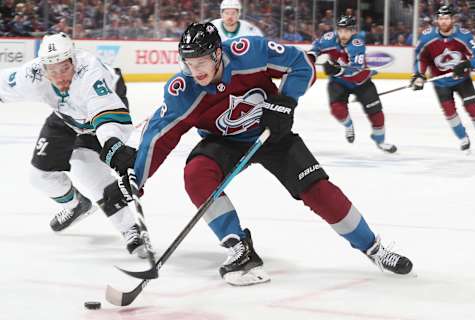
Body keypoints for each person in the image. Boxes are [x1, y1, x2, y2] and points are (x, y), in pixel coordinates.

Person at [105, 22, 413, 286]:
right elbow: (160, 134)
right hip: (222, 142)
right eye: (188, 62)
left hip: (272, 135)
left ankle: (374, 248)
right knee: (196, 175)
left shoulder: (247, 52)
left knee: (318, 190)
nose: (194, 69)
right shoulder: (183, 89)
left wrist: (286, 101)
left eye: (200, 61)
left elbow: (301, 64)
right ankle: (239, 248)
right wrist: (137, 179)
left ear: (217, 54)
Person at [0, 33, 146, 257]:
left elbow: (104, 113)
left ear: (73, 61)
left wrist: (113, 145)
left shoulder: (90, 73)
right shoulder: (32, 75)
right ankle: (76, 204)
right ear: (43, 68)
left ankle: (129, 228)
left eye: (64, 69)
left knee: (85, 167)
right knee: (39, 176)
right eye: (53, 71)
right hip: (66, 115)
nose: (59, 77)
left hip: (101, 109)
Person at [308, 16, 397, 153]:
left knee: (377, 114)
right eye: (341, 30)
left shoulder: (357, 45)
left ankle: (380, 141)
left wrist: (336, 70)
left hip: (361, 82)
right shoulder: (329, 38)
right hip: (339, 83)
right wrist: (312, 56)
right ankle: (349, 126)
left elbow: (355, 70)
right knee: (337, 110)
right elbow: (317, 47)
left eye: (347, 31)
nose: (343, 34)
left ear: (353, 31)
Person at [411, 4, 475, 151]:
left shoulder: (464, 35)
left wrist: (467, 64)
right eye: (441, 18)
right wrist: (419, 75)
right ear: (437, 20)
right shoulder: (427, 37)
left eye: (446, 18)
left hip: (462, 80)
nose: (443, 21)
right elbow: (420, 58)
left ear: (453, 19)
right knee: (449, 112)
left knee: (473, 108)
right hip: (440, 82)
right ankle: (462, 137)